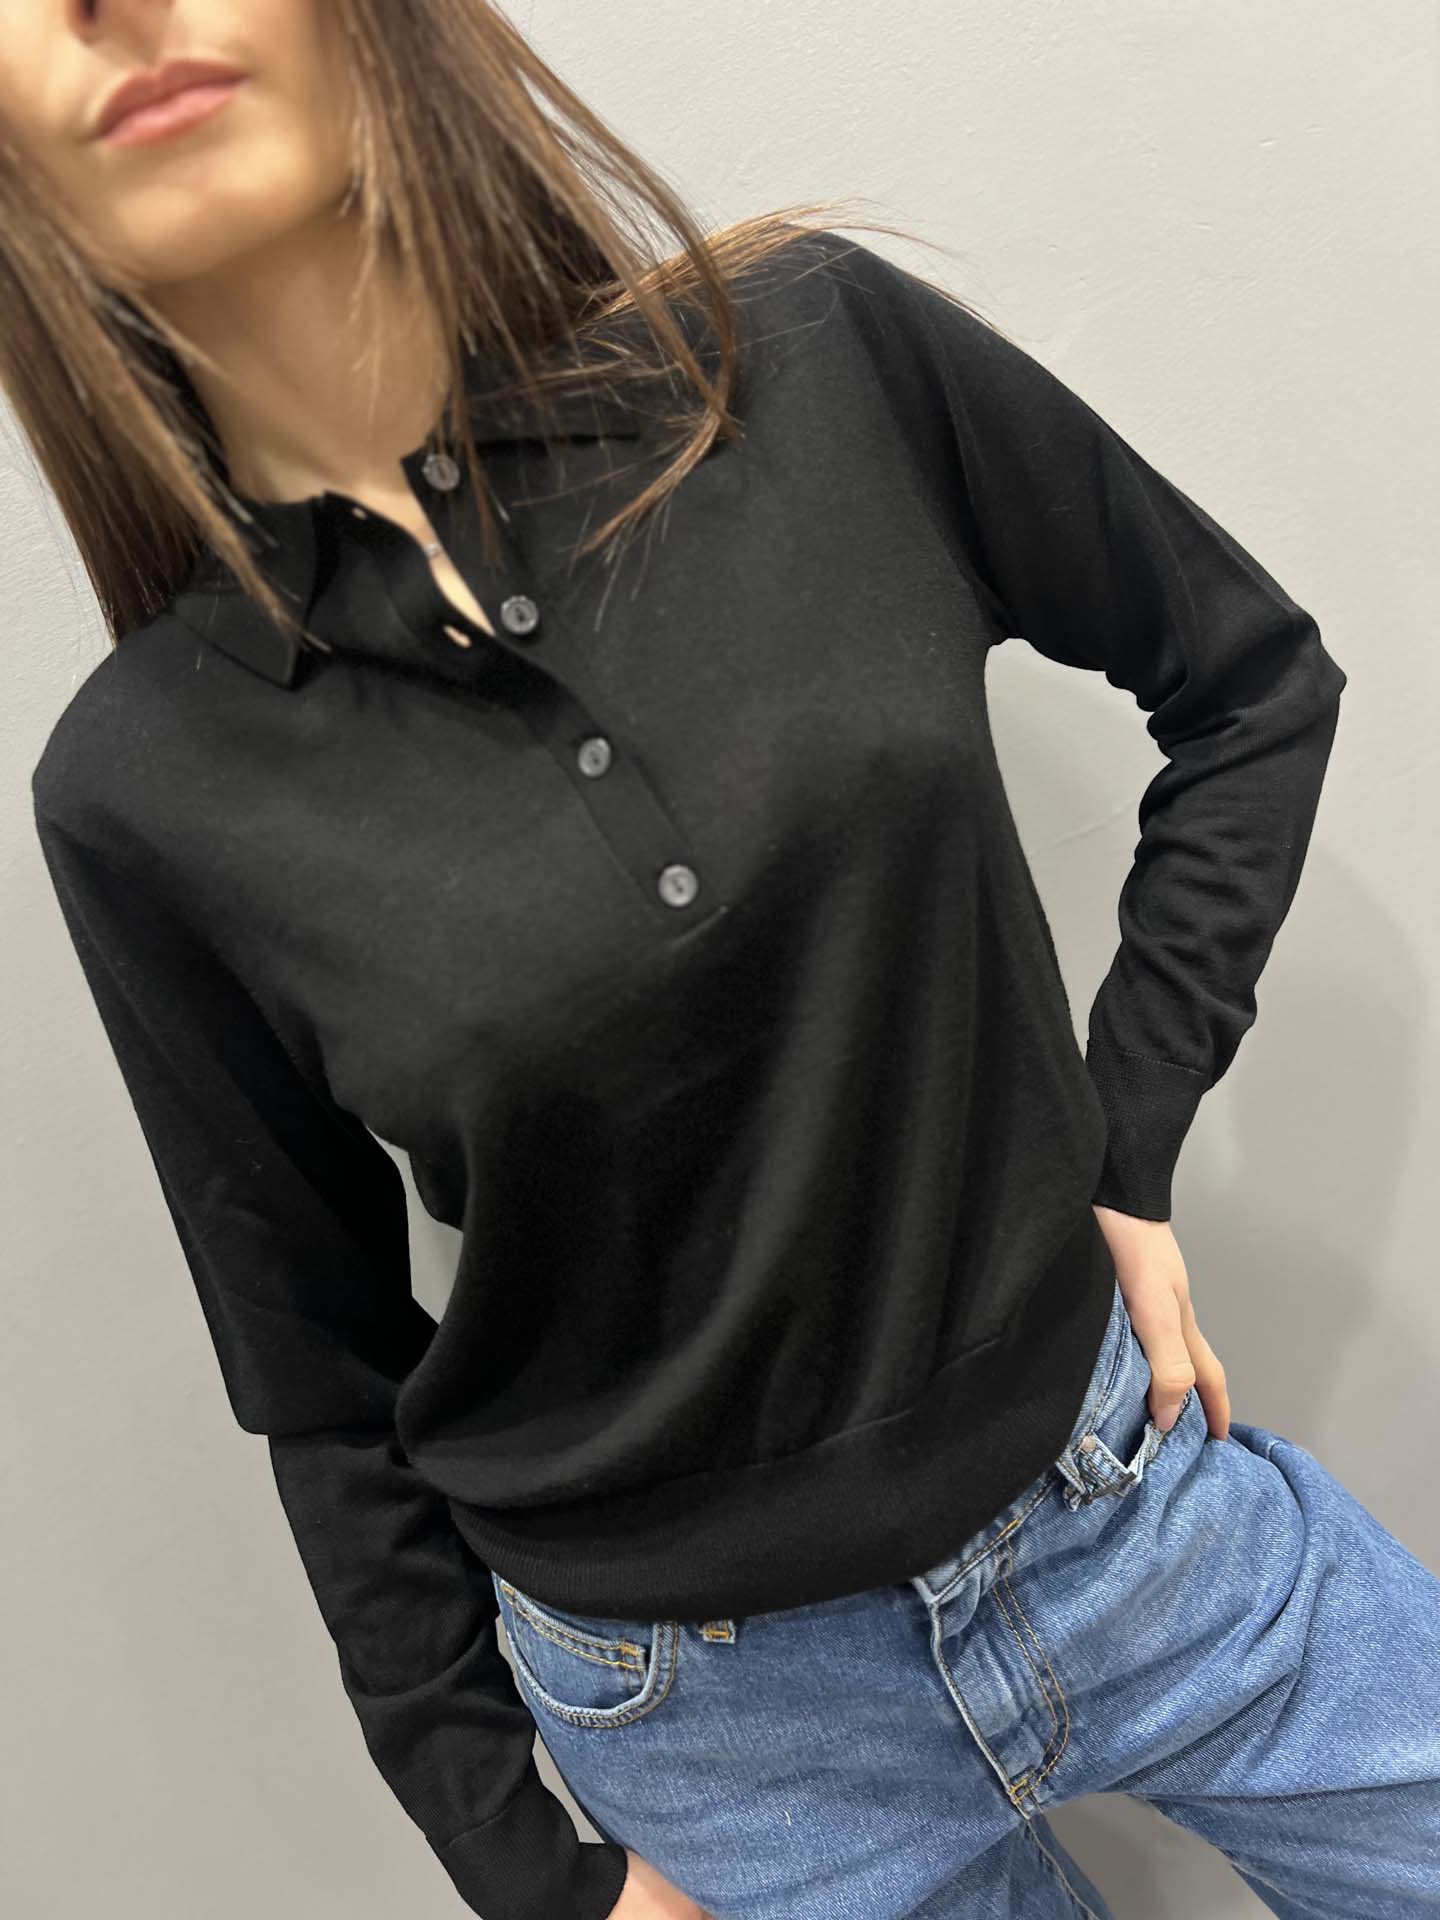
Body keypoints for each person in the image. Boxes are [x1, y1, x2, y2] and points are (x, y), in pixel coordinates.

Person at [10, 5, 1438, 1919]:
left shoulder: (818, 359)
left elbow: (1249, 684)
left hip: (1131, 1511)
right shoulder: (140, 786)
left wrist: (1133, 1134)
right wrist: (528, 1873)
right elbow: (320, 1376)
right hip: (721, 1732)